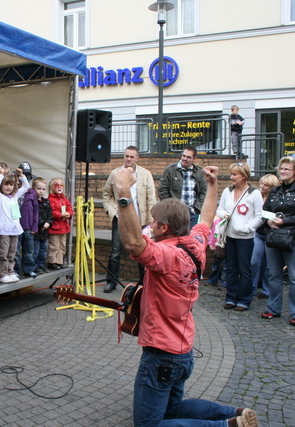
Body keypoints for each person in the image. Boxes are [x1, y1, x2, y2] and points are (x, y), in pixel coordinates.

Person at [112, 165, 258, 427]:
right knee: (172, 410)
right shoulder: (195, 245)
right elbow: (207, 217)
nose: (150, 226)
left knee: (149, 425)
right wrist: (212, 185)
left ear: (164, 226)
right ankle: (233, 414)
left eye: (154, 222)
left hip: (161, 355)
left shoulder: (165, 256)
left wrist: (123, 191)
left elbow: (134, 243)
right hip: (183, 351)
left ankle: (223, 426)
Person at [260, 157, 295, 326]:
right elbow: (265, 211)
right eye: (281, 168)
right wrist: (269, 221)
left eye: (287, 169)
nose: (283, 172)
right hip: (274, 237)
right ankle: (273, 308)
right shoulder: (275, 190)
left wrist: (284, 221)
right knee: (274, 274)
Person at [102, 146, 156, 293]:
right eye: (126, 156)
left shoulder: (145, 174)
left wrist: (151, 219)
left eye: (132, 157)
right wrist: (114, 212)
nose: (129, 159)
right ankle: (111, 281)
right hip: (120, 220)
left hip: (141, 220)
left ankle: (145, 285)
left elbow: (151, 198)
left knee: (143, 252)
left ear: (137, 159)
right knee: (115, 251)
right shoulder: (115, 174)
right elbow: (106, 195)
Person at [216, 163, 264, 311]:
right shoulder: (227, 191)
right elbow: (220, 208)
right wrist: (224, 215)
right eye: (231, 174)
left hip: (245, 238)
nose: (231, 177)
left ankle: (244, 299)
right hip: (229, 236)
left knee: (244, 269)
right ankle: (231, 297)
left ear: (244, 176)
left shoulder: (254, 193)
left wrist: (247, 228)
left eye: (234, 174)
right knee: (230, 268)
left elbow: (260, 216)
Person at [158, 146, 208, 230]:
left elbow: (203, 191)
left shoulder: (199, 172)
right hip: (175, 214)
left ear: (194, 158)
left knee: (190, 240)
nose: (185, 159)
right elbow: (162, 191)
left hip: (192, 213)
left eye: (188, 157)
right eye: (183, 156)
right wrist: (171, 208)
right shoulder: (170, 170)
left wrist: (197, 208)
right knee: (175, 239)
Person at [0, 169, 30, 283]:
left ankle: (10, 271)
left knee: (12, 253)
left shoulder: (14, 196)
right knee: (3, 253)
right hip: (4, 229)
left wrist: (21, 175)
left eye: (11, 184)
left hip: (15, 229)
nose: (8, 187)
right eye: (6, 184)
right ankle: (2, 273)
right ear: (2, 185)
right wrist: (1, 174)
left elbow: (26, 186)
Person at [250, 174, 279, 300]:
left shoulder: (275, 199)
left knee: (269, 264)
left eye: (266, 185)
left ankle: (267, 289)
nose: (262, 186)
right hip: (258, 232)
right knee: (254, 261)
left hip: (270, 233)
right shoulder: (256, 196)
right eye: (261, 183)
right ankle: (252, 287)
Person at [14, 162, 39, 278]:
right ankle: (15, 270)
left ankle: (29, 269)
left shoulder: (32, 193)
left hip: (28, 227)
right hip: (16, 227)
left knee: (29, 251)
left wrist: (34, 225)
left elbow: (35, 210)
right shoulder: (14, 192)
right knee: (16, 251)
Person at [47, 177, 73, 270]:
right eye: (57, 185)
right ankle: (52, 261)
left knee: (62, 245)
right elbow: (51, 212)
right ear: (52, 187)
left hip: (63, 226)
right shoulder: (51, 199)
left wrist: (68, 214)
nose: (59, 187)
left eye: (61, 185)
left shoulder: (64, 199)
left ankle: (59, 261)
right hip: (55, 226)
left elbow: (70, 208)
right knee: (54, 245)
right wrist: (61, 214)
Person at [33, 177, 53, 274]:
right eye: (39, 189)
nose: (41, 191)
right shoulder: (33, 201)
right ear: (33, 188)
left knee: (43, 251)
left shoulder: (46, 202)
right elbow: (34, 215)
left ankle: (41, 265)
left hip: (44, 231)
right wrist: (42, 223)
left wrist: (48, 222)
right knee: (35, 250)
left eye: (43, 189)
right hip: (36, 231)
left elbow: (50, 214)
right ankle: (35, 266)